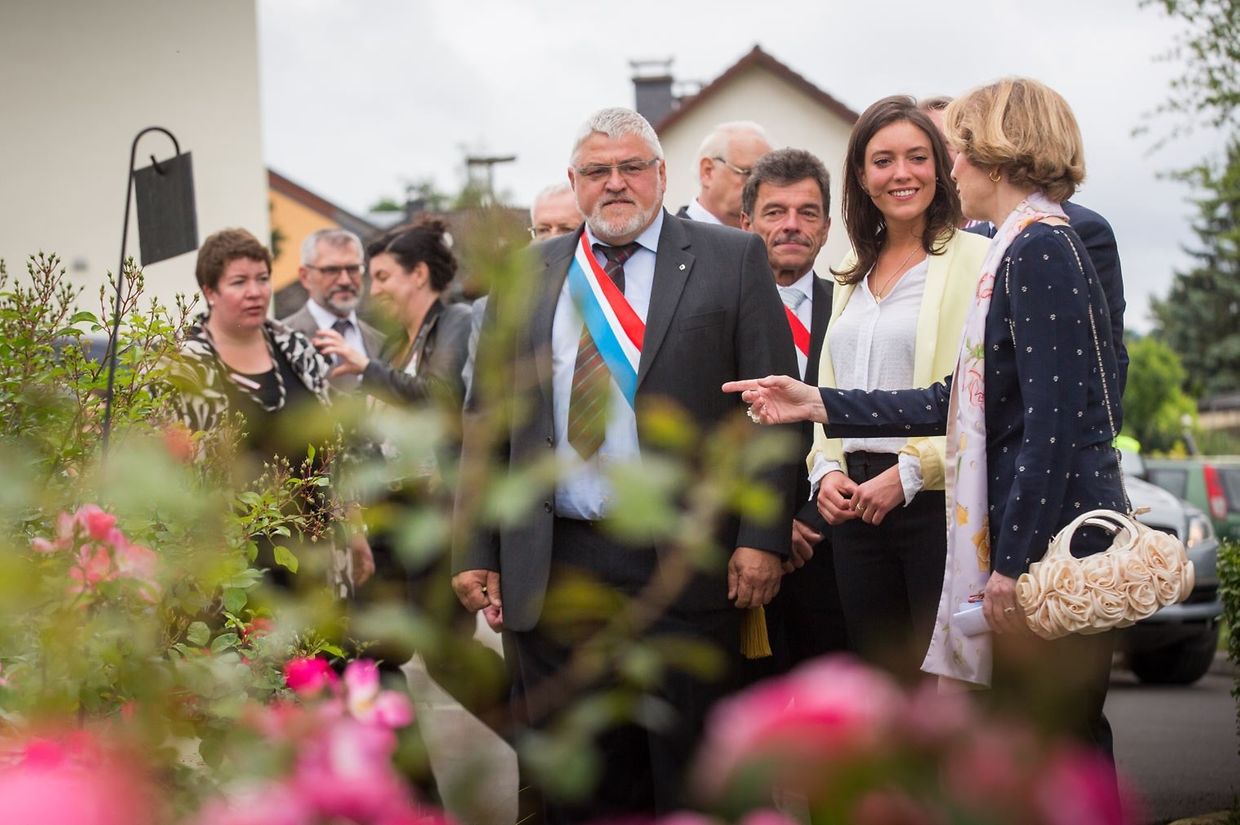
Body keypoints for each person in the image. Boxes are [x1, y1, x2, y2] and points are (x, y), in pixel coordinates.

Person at [724, 78, 1126, 765]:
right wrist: (820, 411)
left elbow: (1048, 425)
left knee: (1043, 734)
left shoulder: (1031, 248)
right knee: (913, 716)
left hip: (982, 520)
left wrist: (1008, 561)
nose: (946, 164)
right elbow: (962, 395)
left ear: (994, 154)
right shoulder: (966, 254)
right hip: (869, 512)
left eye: (950, 150)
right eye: (886, 158)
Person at [452, 106, 798, 823]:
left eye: (631, 166)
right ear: (573, 184)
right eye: (596, 171)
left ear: (662, 175)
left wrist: (761, 536)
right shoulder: (528, 273)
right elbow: (487, 422)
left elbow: (772, 415)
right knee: (577, 783)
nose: (615, 183)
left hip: (682, 563)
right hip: (555, 565)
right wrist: (475, 547)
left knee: (691, 773)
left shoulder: (730, 259)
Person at [805, 96, 988, 676]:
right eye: (883, 160)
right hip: (852, 510)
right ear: (861, 175)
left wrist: (911, 472)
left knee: (945, 693)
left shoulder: (979, 261)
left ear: (941, 167)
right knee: (882, 693)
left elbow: (978, 400)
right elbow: (825, 392)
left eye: (916, 157)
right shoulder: (848, 271)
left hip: (936, 505)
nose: (901, 173)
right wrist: (825, 470)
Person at [168, 227, 370, 595]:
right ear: (210, 291)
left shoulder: (294, 348)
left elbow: (336, 450)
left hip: (315, 550)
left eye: (262, 279)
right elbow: (175, 473)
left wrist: (355, 530)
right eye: (239, 281)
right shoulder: (189, 368)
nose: (255, 292)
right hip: (233, 558)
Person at [737, 147, 847, 670]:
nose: (791, 226)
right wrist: (767, 527)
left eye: (807, 213)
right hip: (742, 552)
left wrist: (808, 521)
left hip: (837, 548)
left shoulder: (855, 310)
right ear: (746, 222)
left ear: (826, 228)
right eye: (775, 212)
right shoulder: (714, 313)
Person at [313, 219, 472, 410]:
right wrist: (314, 386)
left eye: (382, 277)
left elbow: (442, 397)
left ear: (419, 274)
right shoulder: (395, 345)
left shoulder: (457, 319)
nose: (374, 291)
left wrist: (368, 367)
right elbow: (358, 412)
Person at [280, 228, 384, 390]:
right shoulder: (281, 339)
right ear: (305, 276)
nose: (344, 280)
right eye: (331, 270)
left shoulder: (382, 342)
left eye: (352, 269)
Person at [677, 121, 773, 227]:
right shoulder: (667, 240)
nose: (759, 187)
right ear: (707, 171)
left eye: (766, 177)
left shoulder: (768, 239)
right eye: (747, 173)